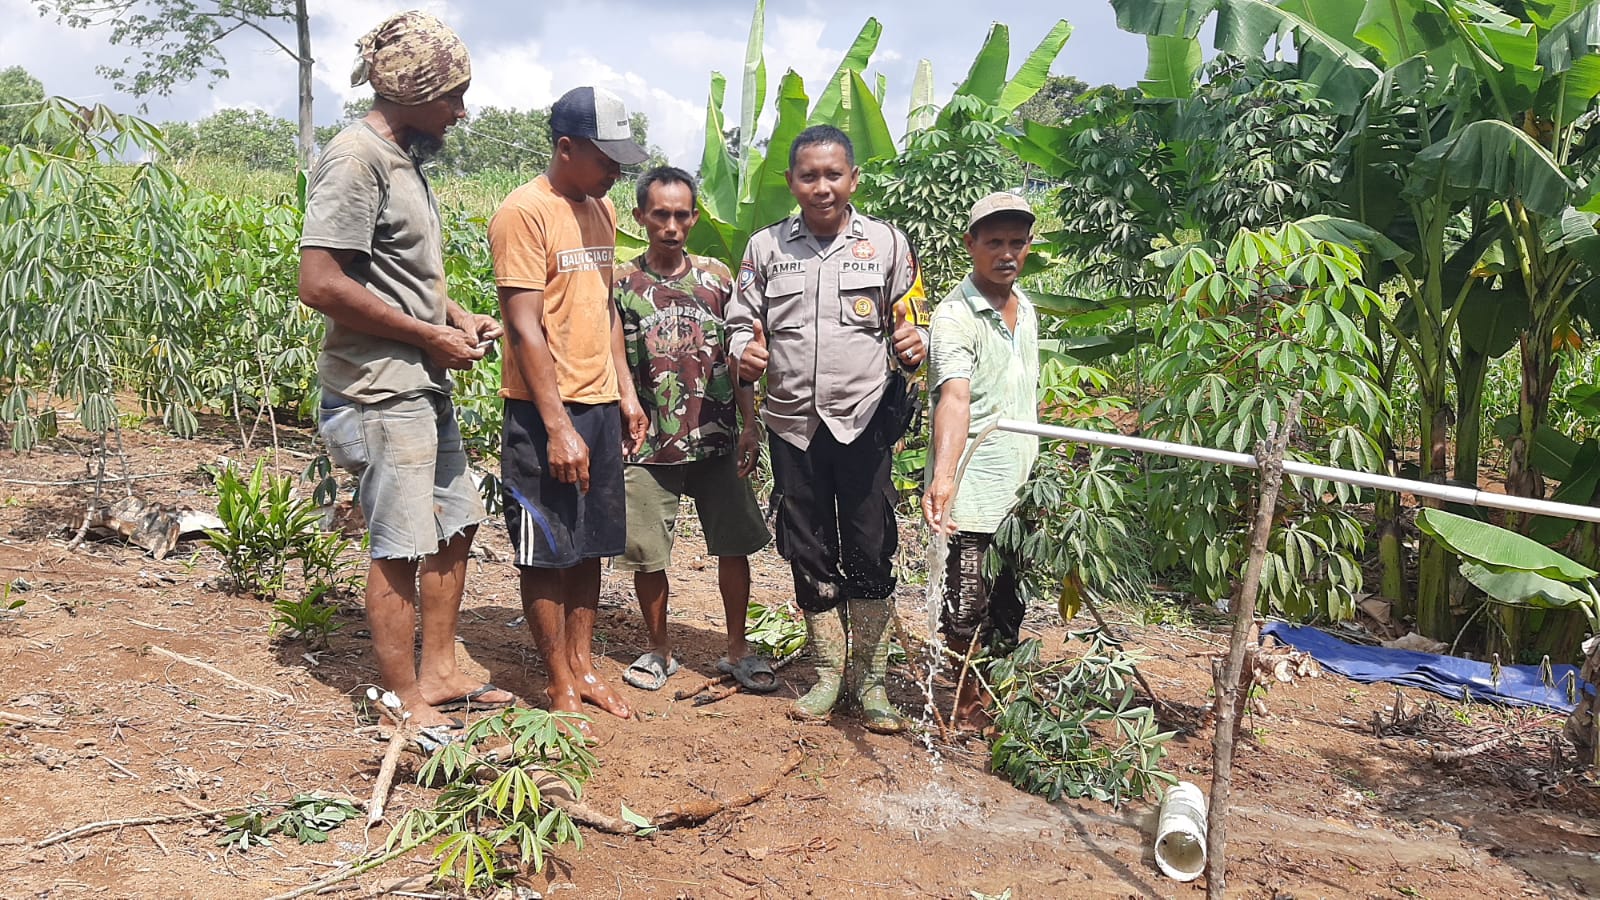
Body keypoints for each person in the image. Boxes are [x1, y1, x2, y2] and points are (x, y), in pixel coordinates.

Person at [299, 11, 512, 733]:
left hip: (418, 377)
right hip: (378, 387)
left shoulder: (402, 160)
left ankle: (441, 669)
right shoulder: (355, 158)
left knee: (456, 521)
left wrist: (452, 318)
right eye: (453, 95)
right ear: (413, 93)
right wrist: (428, 333)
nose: (460, 110)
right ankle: (402, 702)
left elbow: (392, 271)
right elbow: (322, 281)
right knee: (399, 541)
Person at [726, 125, 928, 733]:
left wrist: (917, 342)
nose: (822, 187)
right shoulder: (765, 250)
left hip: (864, 422)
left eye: (833, 175)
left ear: (853, 179)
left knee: (871, 547)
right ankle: (826, 675)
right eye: (809, 176)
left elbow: (912, 321)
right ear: (790, 182)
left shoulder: (888, 245)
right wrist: (743, 348)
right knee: (806, 546)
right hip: (793, 424)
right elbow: (741, 319)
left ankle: (869, 681)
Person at [489, 86, 651, 729]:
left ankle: (586, 667)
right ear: (565, 147)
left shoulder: (602, 211)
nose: (615, 170)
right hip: (541, 412)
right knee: (548, 547)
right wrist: (557, 428)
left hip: (600, 405)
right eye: (605, 157)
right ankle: (558, 680)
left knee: (590, 546)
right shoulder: (523, 213)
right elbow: (524, 327)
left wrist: (626, 395)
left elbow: (606, 308)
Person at [613, 166, 776, 694]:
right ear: (640, 217)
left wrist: (751, 423)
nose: (672, 226)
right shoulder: (620, 285)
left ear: (695, 217)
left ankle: (736, 648)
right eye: (660, 215)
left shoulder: (717, 279)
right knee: (648, 554)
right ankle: (658, 648)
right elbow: (613, 360)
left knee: (734, 546)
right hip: (647, 442)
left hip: (717, 437)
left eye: (682, 215)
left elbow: (740, 358)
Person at [921, 192, 1040, 732]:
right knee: (967, 609)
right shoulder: (953, 316)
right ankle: (967, 704)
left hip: (1020, 493)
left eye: (1017, 243)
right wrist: (945, 477)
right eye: (994, 243)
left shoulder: (1027, 310)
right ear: (971, 245)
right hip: (971, 493)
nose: (1007, 254)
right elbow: (955, 397)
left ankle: (991, 698)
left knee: (1009, 606)